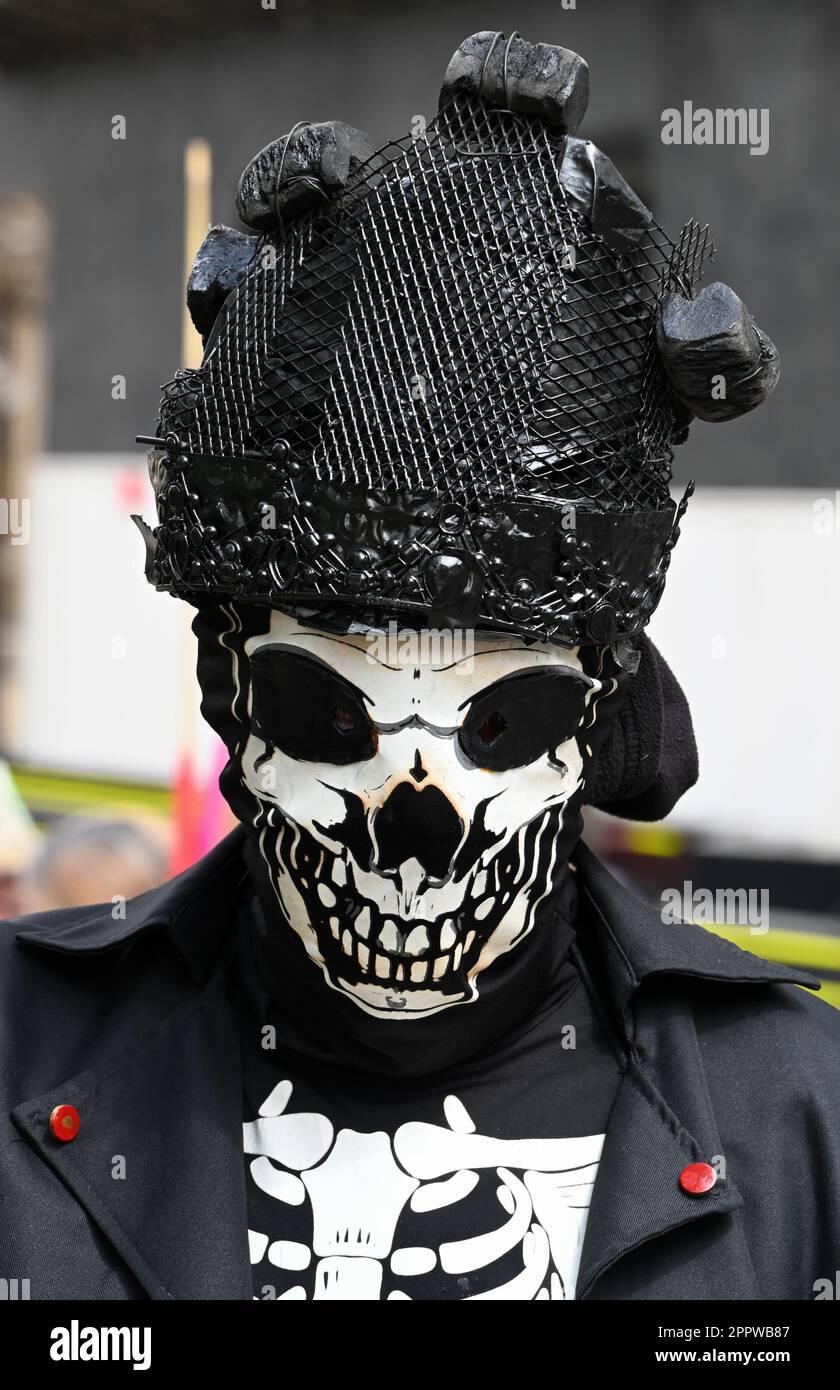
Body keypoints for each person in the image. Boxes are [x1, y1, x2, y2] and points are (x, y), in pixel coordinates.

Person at [1, 30, 837, 1302]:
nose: (417, 830)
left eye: (499, 722)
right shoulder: (20, 1046)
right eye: (326, 709)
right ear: (234, 702)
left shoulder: (796, 1114)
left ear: (596, 720)